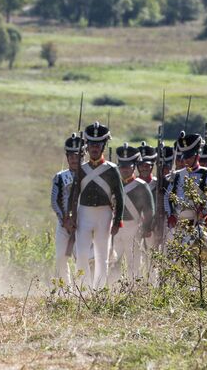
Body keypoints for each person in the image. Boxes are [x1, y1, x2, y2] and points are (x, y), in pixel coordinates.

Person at [73, 122, 124, 289]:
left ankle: (100, 289)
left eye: (98, 144)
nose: (95, 148)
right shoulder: (81, 169)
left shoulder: (112, 169)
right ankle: (83, 289)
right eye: (92, 144)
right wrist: (71, 216)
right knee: (81, 254)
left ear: (103, 146)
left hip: (104, 214)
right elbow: (74, 196)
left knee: (102, 256)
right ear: (87, 147)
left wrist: (117, 221)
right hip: (84, 213)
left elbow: (120, 196)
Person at [164, 132, 207, 247]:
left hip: (196, 224)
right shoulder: (177, 175)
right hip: (177, 226)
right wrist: (170, 214)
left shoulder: (206, 173)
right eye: (185, 157)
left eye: (190, 157)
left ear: (197, 156)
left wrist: (204, 210)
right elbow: (167, 196)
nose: (186, 160)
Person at [109, 144, 155, 284]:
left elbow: (149, 210)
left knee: (133, 263)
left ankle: (133, 290)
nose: (124, 169)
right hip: (116, 228)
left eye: (127, 166)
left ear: (134, 166)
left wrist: (146, 228)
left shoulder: (141, 185)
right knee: (113, 262)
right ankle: (112, 288)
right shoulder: (114, 184)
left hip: (133, 227)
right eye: (122, 166)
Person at [50, 133, 83, 285]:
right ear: (67, 157)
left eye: (77, 156)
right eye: (71, 157)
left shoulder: (88, 176)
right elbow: (54, 201)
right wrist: (64, 220)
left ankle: (83, 287)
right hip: (64, 223)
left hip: (83, 224)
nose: (74, 160)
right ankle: (66, 288)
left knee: (82, 257)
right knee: (60, 257)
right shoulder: (60, 177)